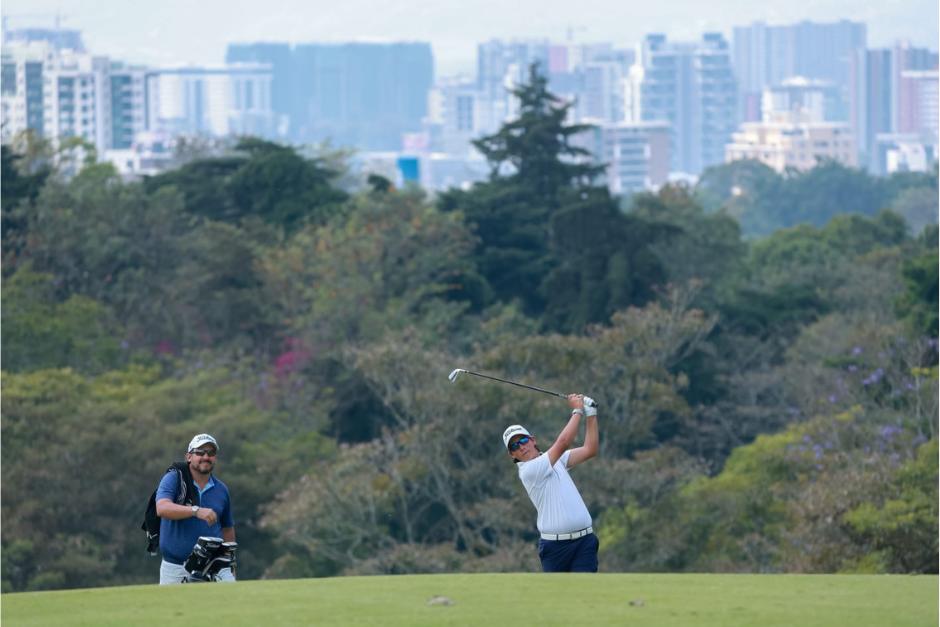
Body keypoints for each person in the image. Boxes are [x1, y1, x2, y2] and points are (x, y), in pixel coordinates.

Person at [503, 393, 599, 572]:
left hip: (585, 542)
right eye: (514, 446)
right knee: (559, 598)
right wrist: (577, 410)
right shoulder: (529, 471)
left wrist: (591, 413)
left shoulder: (556, 461)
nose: (521, 447)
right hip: (556, 548)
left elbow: (590, 449)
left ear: (533, 440)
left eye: (523, 440)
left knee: (585, 593)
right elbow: (563, 442)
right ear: (512, 455)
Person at [155, 433, 236, 584]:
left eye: (211, 453)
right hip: (175, 568)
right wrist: (196, 511)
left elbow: (227, 529)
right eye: (200, 452)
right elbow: (162, 508)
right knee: (173, 608)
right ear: (189, 457)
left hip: (213, 567)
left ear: (215, 458)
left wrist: (231, 565)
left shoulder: (221, 489)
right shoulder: (174, 479)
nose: (206, 457)